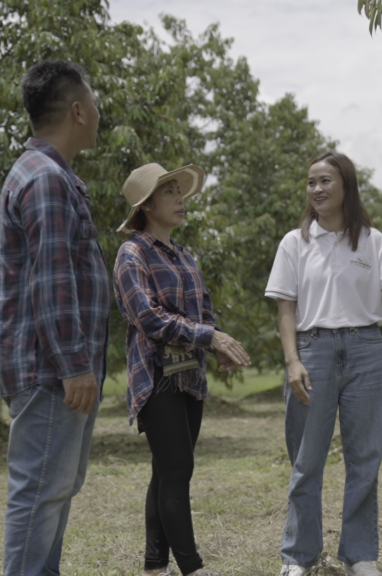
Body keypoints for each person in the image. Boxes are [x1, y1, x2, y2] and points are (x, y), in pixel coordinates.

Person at [265, 151, 382, 576]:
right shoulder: (295, 242)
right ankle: (298, 557)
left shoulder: (372, 240)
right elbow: (285, 310)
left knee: (365, 458)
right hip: (312, 351)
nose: (316, 189)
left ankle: (359, 556)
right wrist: (292, 360)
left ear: (346, 187)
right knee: (306, 460)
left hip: (367, 351)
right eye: (311, 182)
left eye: (325, 181)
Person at [0, 59, 109, 576]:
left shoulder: (50, 174)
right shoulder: (46, 180)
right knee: (40, 492)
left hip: (51, 369)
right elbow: (52, 279)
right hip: (51, 372)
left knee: (52, 490)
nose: (101, 109)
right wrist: (74, 365)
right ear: (78, 110)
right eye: (96, 100)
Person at [113, 163, 252, 576]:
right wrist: (209, 337)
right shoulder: (132, 253)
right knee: (178, 470)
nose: (180, 199)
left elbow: (203, 315)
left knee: (166, 469)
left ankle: (155, 566)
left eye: (180, 191)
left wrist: (219, 341)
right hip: (156, 375)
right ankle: (193, 568)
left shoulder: (185, 256)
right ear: (147, 204)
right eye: (170, 192)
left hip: (189, 376)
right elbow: (149, 319)